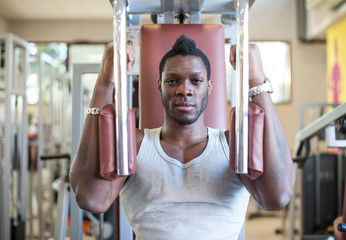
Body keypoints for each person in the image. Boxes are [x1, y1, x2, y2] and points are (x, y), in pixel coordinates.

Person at [70, 35, 295, 239]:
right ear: (159, 86)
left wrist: (256, 82)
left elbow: (278, 195)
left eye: (196, 81)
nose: (184, 90)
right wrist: (105, 82)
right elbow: (90, 198)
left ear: (209, 87)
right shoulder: (136, 146)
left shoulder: (232, 145)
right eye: (172, 80)